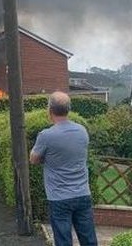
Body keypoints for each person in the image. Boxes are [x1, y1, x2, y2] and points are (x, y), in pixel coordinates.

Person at [30, 91, 98, 246]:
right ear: (68, 109)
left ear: (50, 110)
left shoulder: (46, 136)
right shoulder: (82, 130)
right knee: (89, 239)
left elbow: (33, 159)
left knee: (63, 241)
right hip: (83, 194)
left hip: (59, 198)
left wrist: (47, 158)